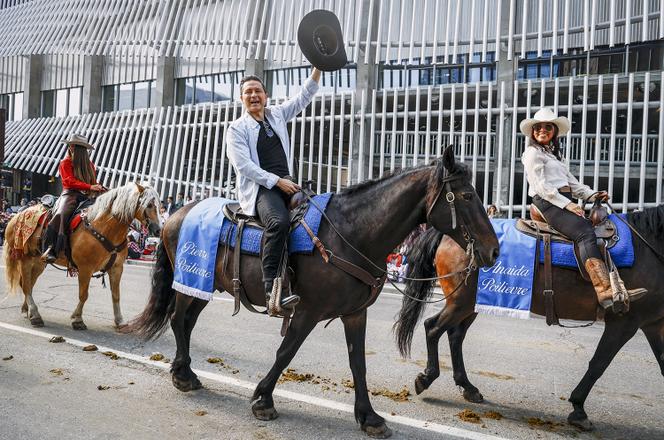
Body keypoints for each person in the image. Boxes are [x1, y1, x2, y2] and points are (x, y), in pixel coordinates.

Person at [520, 108, 647, 311]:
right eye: (538, 127)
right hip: (545, 202)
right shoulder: (532, 153)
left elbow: (574, 185)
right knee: (584, 233)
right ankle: (604, 290)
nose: (542, 130)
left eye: (547, 127)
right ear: (533, 131)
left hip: (561, 200)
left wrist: (593, 195)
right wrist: (568, 204)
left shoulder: (556, 157)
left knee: (593, 228)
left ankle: (616, 283)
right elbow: (542, 186)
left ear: (553, 131)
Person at [226, 67, 321, 313]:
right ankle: (271, 289)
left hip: (289, 184)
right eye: (248, 92)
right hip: (262, 190)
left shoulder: (277, 114)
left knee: (322, 214)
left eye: (258, 90)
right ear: (241, 98)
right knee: (278, 223)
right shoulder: (236, 129)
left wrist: (318, 67)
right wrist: (277, 182)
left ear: (266, 95)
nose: (253, 95)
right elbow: (244, 166)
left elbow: (303, 97)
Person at [42, 134, 104, 263]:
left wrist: (98, 187)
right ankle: (50, 249)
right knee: (61, 214)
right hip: (70, 194)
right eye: (70, 145)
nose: (70, 147)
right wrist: (90, 186)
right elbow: (69, 181)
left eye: (73, 145)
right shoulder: (65, 162)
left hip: (88, 196)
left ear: (81, 149)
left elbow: (93, 182)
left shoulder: (91, 165)